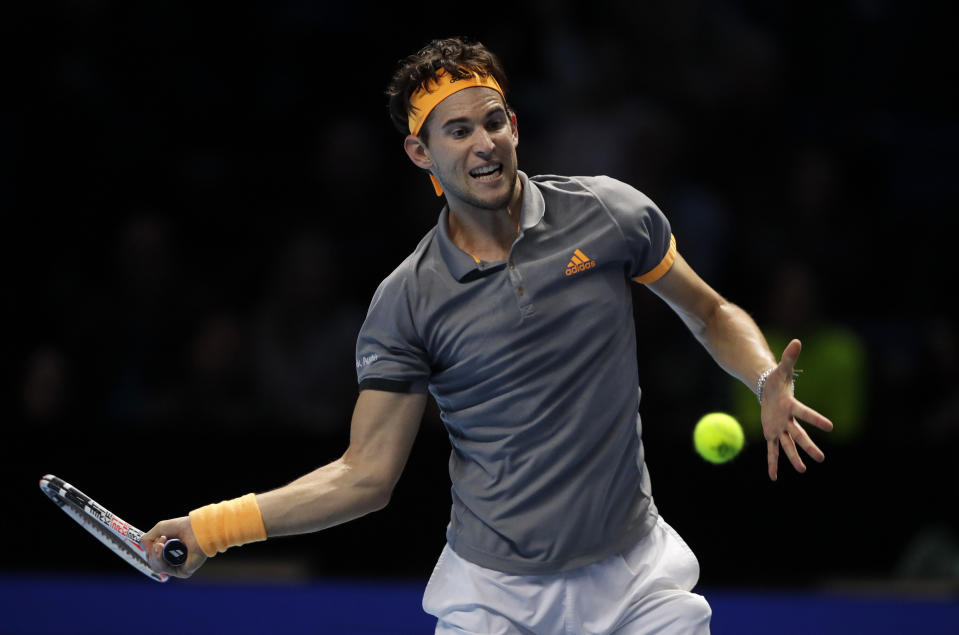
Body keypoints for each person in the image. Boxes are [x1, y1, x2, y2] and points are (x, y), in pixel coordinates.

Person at [143, 37, 833, 634]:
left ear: (514, 126)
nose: (484, 143)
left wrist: (764, 375)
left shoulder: (609, 213)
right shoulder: (407, 300)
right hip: (495, 600)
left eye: (494, 121)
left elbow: (709, 312)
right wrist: (212, 527)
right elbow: (364, 474)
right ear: (420, 152)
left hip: (635, 578)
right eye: (458, 130)